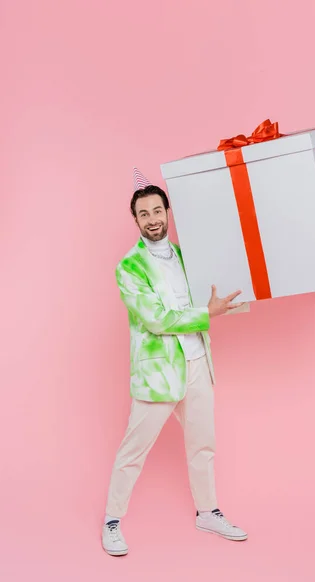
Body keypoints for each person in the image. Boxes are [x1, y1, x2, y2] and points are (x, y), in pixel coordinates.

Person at [102, 168, 248, 556]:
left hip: (198, 361)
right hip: (158, 374)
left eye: (157, 211)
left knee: (203, 444)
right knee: (134, 450)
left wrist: (239, 298)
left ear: (169, 211)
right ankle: (112, 520)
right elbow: (157, 319)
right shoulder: (128, 268)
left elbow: (207, 298)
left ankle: (208, 511)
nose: (152, 219)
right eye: (143, 214)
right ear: (134, 220)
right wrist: (210, 314)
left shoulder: (187, 256)